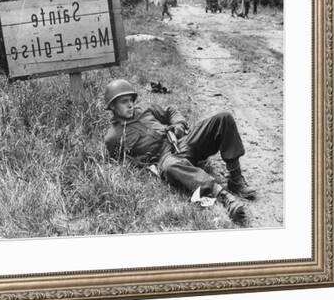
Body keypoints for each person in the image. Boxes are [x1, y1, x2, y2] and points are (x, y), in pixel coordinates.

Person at [103, 79, 256, 223]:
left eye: (131, 100)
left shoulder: (144, 109)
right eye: (124, 102)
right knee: (170, 166)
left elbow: (170, 111)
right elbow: (121, 165)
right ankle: (223, 197)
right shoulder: (113, 137)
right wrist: (144, 164)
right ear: (112, 106)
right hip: (164, 158)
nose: (130, 105)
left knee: (223, 118)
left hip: (180, 142)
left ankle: (236, 179)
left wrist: (178, 124)